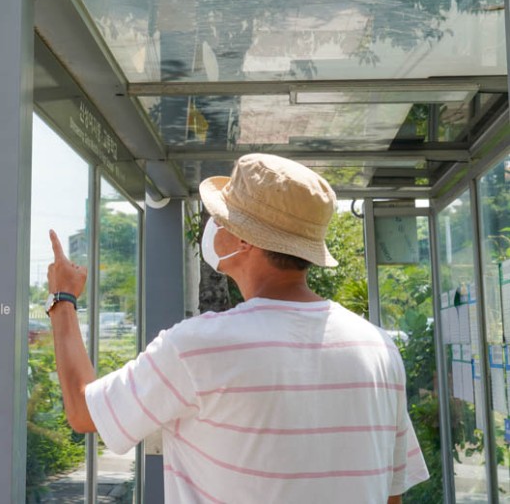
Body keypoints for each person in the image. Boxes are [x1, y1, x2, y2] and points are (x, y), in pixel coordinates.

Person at [46, 153, 429, 503]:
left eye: (221, 217)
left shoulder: (196, 347)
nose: (213, 226)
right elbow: (391, 492)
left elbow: (83, 411)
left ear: (243, 240)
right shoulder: (378, 347)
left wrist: (63, 298)